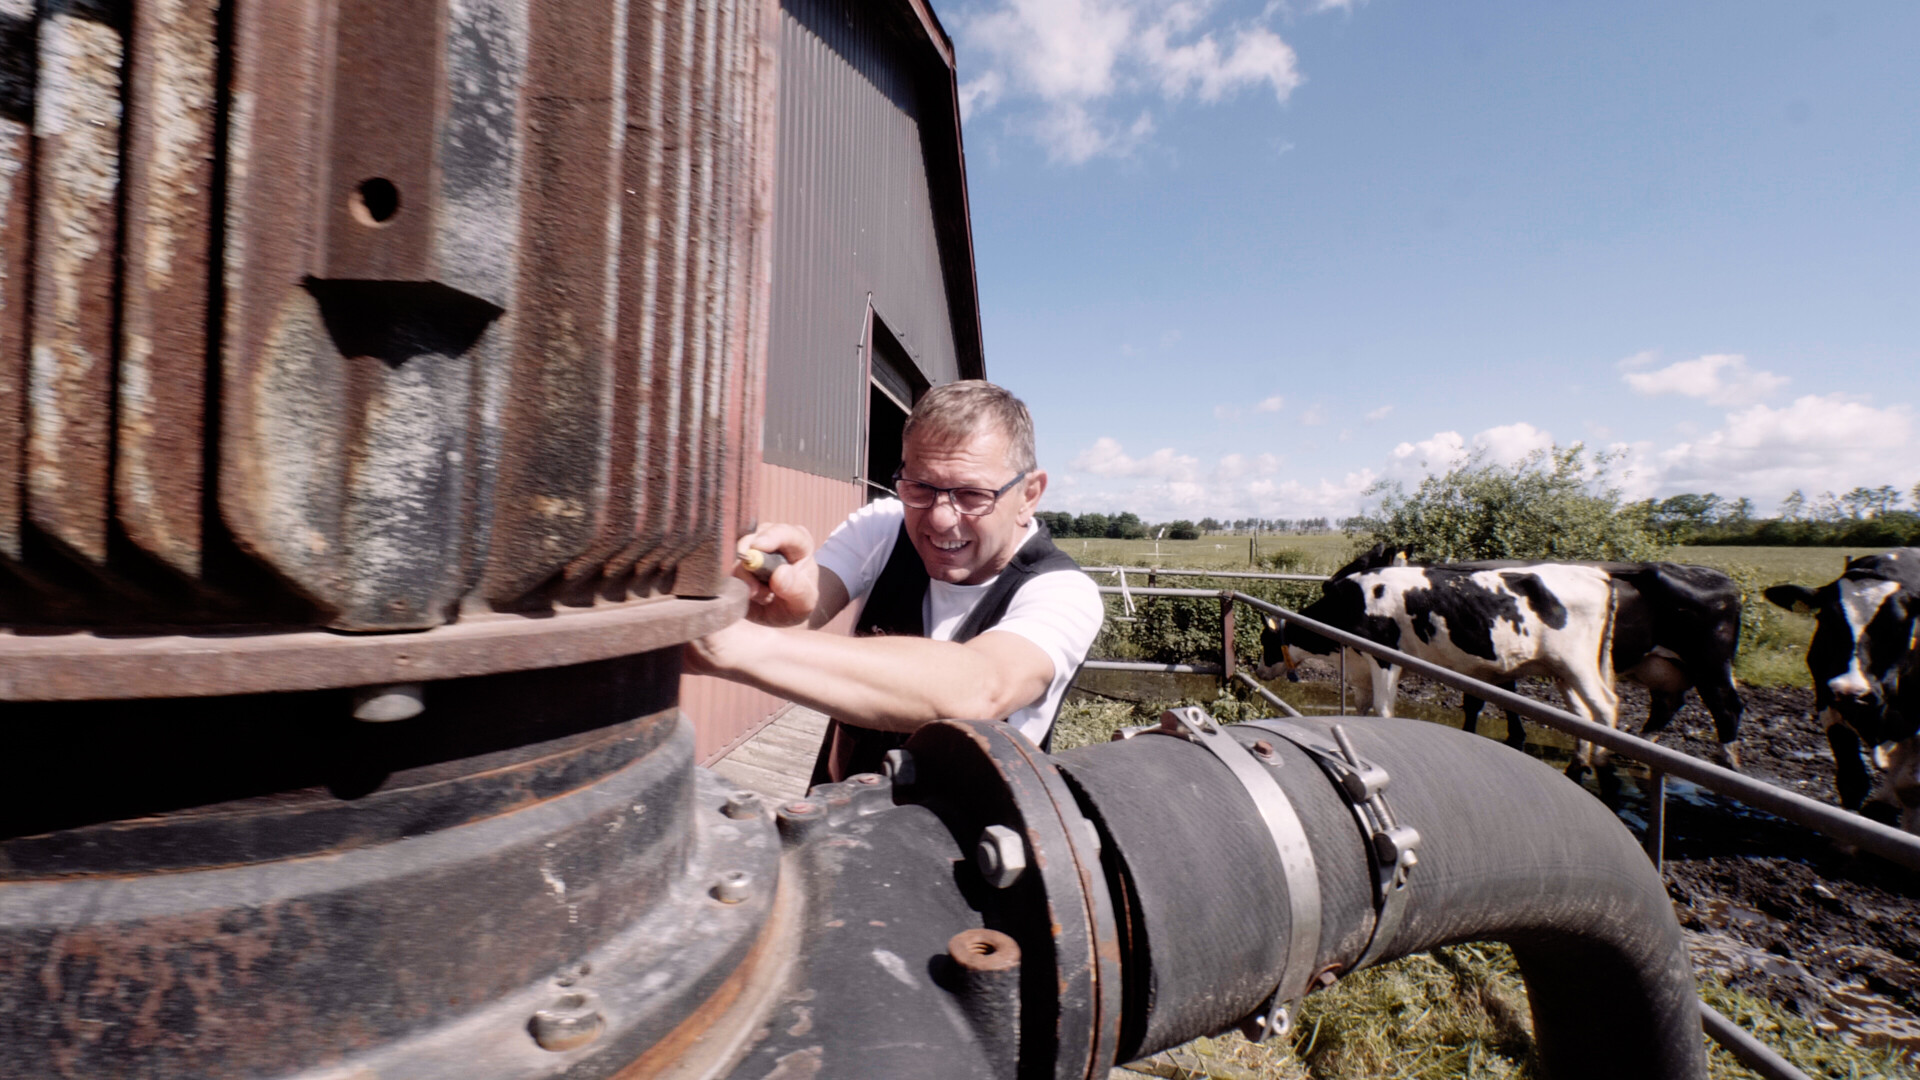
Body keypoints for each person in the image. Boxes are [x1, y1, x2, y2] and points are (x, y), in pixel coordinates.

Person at [686, 381, 1103, 784]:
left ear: (1029, 495)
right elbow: (800, 611)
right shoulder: (884, 526)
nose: (940, 518)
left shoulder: (1062, 592)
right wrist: (781, 598)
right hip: (835, 816)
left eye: (972, 495)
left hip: (972, 848)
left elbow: (981, 688)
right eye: (920, 487)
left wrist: (726, 641)